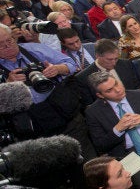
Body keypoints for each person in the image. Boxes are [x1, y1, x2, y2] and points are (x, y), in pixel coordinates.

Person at [0, 24, 96, 158]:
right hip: (35, 132)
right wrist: (8, 85)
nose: (7, 46)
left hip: (66, 116)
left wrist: (57, 69)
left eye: (9, 40)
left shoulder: (34, 49)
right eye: (1, 45)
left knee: (88, 159)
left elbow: (71, 64)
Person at [75, 39, 140, 106]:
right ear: (97, 56)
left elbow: (138, 88)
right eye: (109, 59)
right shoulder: (83, 77)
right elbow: (90, 106)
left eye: (116, 58)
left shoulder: (126, 64)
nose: (114, 63)